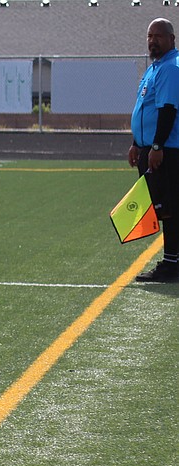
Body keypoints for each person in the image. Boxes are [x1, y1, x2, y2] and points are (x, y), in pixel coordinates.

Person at [131, 18, 179, 282]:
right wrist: (137, 144)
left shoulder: (171, 68)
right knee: (164, 207)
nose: (153, 40)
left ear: (172, 39)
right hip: (149, 147)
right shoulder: (155, 68)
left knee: (169, 209)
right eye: (150, 36)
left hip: (166, 150)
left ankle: (171, 264)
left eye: (158, 36)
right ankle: (173, 261)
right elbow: (145, 110)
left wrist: (157, 146)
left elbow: (167, 110)